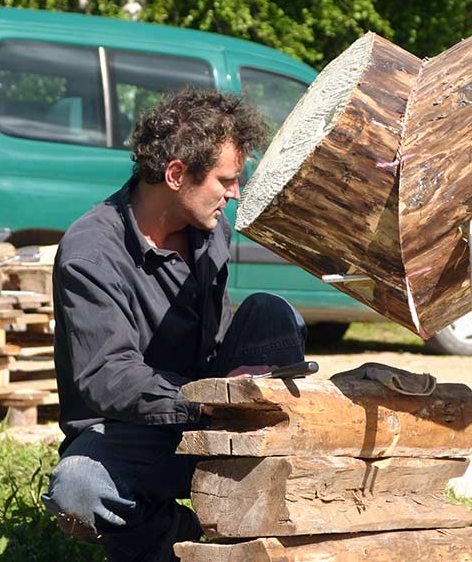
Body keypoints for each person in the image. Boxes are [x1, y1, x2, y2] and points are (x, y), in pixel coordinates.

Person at [42, 87, 307, 561]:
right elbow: (108, 377)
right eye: (226, 180)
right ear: (176, 174)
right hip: (130, 428)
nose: (235, 192)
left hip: (211, 411)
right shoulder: (91, 253)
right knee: (79, 491)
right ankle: (168, 534)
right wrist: (208, 402)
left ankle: (258, 528)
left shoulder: (209, 230)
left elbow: (217, 326)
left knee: (271, 312)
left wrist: (240, 384)